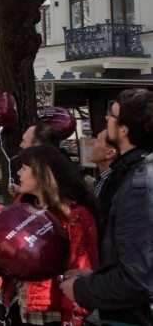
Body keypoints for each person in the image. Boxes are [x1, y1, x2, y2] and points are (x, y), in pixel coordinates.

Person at [62, 88, 153, 325]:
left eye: (111, 115)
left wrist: (81, 290)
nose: (105, 120)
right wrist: (97, 275)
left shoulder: (139, 186)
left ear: (124, 129)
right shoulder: (134, 174)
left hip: (133, 316)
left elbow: (138, 280)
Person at [0, 144, 99, 326]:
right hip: (18, 303)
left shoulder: (74, 215)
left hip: (50, 310)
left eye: (24, 168)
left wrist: (75, 315)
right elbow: (11, 256)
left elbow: (80, 266)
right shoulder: (22, 208)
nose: (19, 174)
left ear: (41, 174)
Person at [87, 130, 120, 240]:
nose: (91, 143)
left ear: (109, 153)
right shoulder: (103, 179)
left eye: (97, 140)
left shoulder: (116, 184)